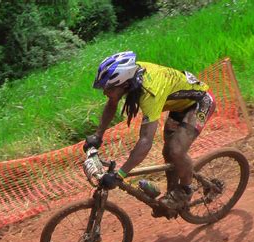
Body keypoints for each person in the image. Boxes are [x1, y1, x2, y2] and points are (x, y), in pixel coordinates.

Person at [83, 51, 216, 216]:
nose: (105, 92)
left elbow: (145, 141)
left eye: (108, 88)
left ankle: (186, 190)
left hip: (200, 103)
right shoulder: (132, 76)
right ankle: (172, 198)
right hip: (179, 106)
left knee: (176, 150)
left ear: (124, 84)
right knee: (167, 152)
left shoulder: (149, 93)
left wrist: (120, 175)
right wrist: (98, 135)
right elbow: (112, 103)